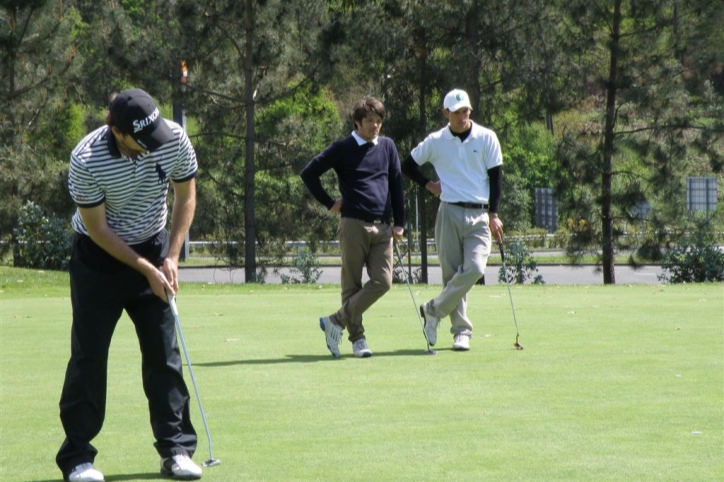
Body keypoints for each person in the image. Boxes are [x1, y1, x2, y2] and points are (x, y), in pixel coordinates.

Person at [57, 88, 203, 481]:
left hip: (153, 247)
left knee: (163, 355)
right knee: (88, 357)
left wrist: (170, 257)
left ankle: (176, 450)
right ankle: (77, 458)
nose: (153, 145)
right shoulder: (86, 158)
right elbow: (99, 229)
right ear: (118, 132)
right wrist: (147, 270)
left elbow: (186, 193)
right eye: (142, 139)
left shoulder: (169, 137)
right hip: (98, 259)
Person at [300, 96, 405, 358]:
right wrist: (329, 203)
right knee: (352, 286)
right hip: (353, 224)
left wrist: (400, 223)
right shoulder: (343, 147)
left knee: (383, 282)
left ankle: (335, 320)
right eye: (370, 121)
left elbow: (396, 185)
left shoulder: (388, 146)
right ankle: (358, 340)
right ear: (357, 122)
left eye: (379, 121)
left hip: (383, 227)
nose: (376, 126)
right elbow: (309, 173)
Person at [401, 88, 504, 351]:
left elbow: (496, 177)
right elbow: (407, 165)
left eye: (466, 111)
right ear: (446, 113)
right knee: (451, 275)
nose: (462, 116)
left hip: (479, 213)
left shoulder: (486, 137)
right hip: (448, 210)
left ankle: (433, 310)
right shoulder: (436, 141)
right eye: (457, 112)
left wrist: (494, 214)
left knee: (476, 268)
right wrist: (429, 185)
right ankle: (461, 332)